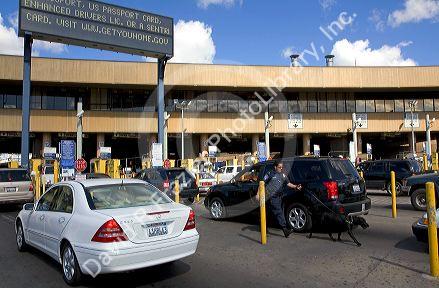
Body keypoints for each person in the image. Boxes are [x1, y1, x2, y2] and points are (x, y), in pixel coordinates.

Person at [264, 160, 302, 238]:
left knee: (270, 213)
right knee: (279, 212)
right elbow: (262, 183)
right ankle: (285, 230)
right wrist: (258, 193)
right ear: (275, 167)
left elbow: (288, 183)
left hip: (279, 197)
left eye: (282, 167)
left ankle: (264, 228)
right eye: (279, 167)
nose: (281, 168)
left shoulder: (282, 175)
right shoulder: (269, 174)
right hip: (272, 197)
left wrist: (296, 186)